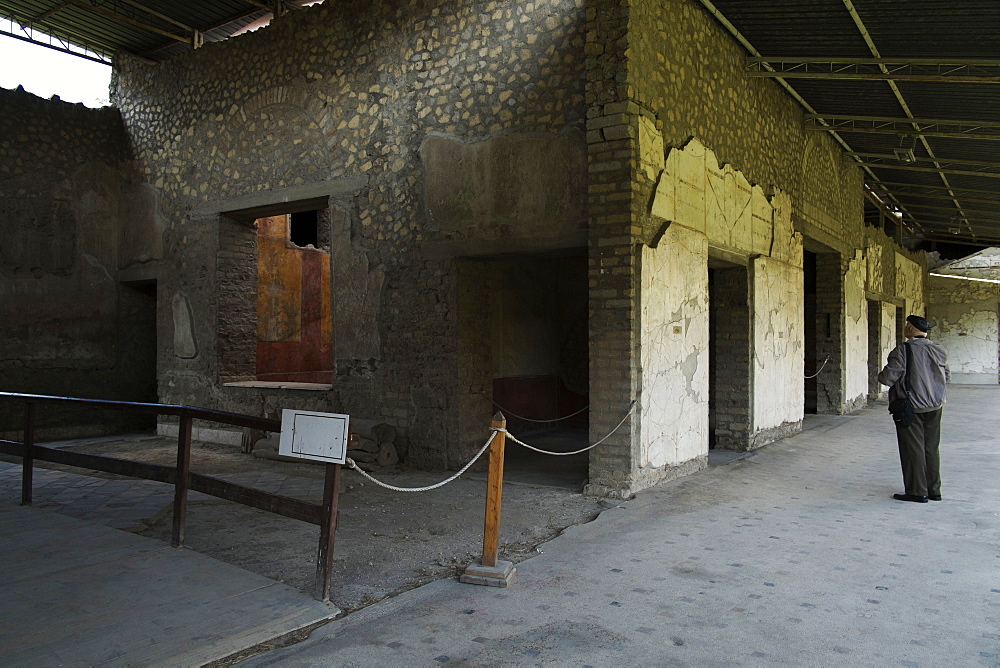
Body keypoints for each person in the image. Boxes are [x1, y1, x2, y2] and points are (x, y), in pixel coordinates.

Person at [877, 314, 949, 503]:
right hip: (935, 405)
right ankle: (934, 490)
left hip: (912, 407)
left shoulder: (903, 350)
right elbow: (946, 376)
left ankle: (917, 491)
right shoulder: (938, 349)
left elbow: (887, 378)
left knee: (912, 449)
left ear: (909, 329)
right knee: (931, 448)